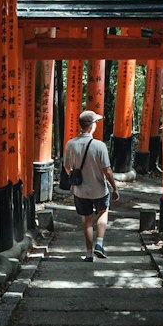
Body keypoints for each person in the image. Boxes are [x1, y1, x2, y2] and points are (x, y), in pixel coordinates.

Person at [63, 109, 120, 260]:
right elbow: (107, 170)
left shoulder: (70, 144)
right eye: (95, 122)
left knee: (87, 220)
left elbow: (67, 166)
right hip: (99, 189)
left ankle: (89, 253)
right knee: (102, 212)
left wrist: (73, 176)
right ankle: (99, 244)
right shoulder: (99, 146)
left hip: (80, 190)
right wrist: (114, 187)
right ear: (91, 126)